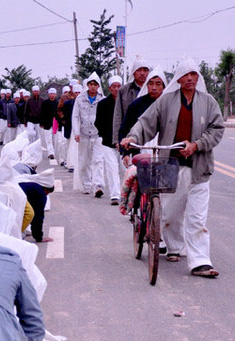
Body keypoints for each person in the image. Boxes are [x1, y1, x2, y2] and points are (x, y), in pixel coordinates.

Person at [121, 57, 224, 278]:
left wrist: (197, 145)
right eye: (185, 75)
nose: (189, 78)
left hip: (199, 168)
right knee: (170, 215)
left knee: (197, 218)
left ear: (198, 77)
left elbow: (217, 129)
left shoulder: (209, 102)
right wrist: (132, 137)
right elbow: (145, 123)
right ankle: (175, 247)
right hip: (171, 167)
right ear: (178, 79)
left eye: (193, 74)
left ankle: (200, 262)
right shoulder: (166, 102)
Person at [118, 66, 168, 162]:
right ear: (147, 85)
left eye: (158, 84)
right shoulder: (136, 105)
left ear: (163, 86)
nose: (154, 88)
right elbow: (125, 129)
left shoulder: (169, 104)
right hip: (141, 152)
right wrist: (126, 153)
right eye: (151, 84)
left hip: (164, 152)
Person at [72, 73, 104, 195]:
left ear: (98, 86)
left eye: (95, 84)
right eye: (90, 84)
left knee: (98, 161)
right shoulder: (80, 99)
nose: (93, 87)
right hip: (84, 134)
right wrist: (76, 132)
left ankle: (98, 185)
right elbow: (75, 117)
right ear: (87, 85)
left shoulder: (102, 99)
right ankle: (86, 184)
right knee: (84, 162)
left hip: (97, 135)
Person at [93, 75, 123, 205]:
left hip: (125, 143)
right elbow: (98, 123)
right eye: (114, 86)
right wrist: (108, 137)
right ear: (109, 88)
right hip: (108, 142)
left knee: (124, 170)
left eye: (119, 86)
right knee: (111, 169)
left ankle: (125, 194)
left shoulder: (126, 103)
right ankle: (115, 195)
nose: (116, 89)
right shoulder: (103, 104)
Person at [113, 55, 150, 147]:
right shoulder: (124, 91)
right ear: (133, 72)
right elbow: (118, 116)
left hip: (149, 135)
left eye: (145, 70)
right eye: (139, 70)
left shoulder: (153, 90)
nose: (142, 73)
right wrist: (117, 139)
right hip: (129, 136)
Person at [17, 168, 55, 243]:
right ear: (46, 190)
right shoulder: (40, 193)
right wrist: (39, 238)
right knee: (29, 214)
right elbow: (38, 217)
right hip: (15, 198)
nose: (46, 195)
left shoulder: (28, 182)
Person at [63, 84, 82, 172]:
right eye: (76, 92)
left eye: (79, 92)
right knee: (72, 146)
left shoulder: (85, 103)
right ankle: (72, 164)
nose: (77, 94)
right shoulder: (67, 104)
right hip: (71, 128)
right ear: (73, 94)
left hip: (82, 128)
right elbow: (66, 117)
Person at [40, 88, 59, 159]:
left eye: (53, 93)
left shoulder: (58, 102)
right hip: (46, 123)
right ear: (48, 94)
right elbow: (42, 113)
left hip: (55, 123)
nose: (52, 95)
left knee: (55, 139)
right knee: (48, 139)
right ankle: (51, 153)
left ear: (56, 94)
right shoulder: (44, 103)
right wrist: (41, 122)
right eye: (51, 94)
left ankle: (52, 151)